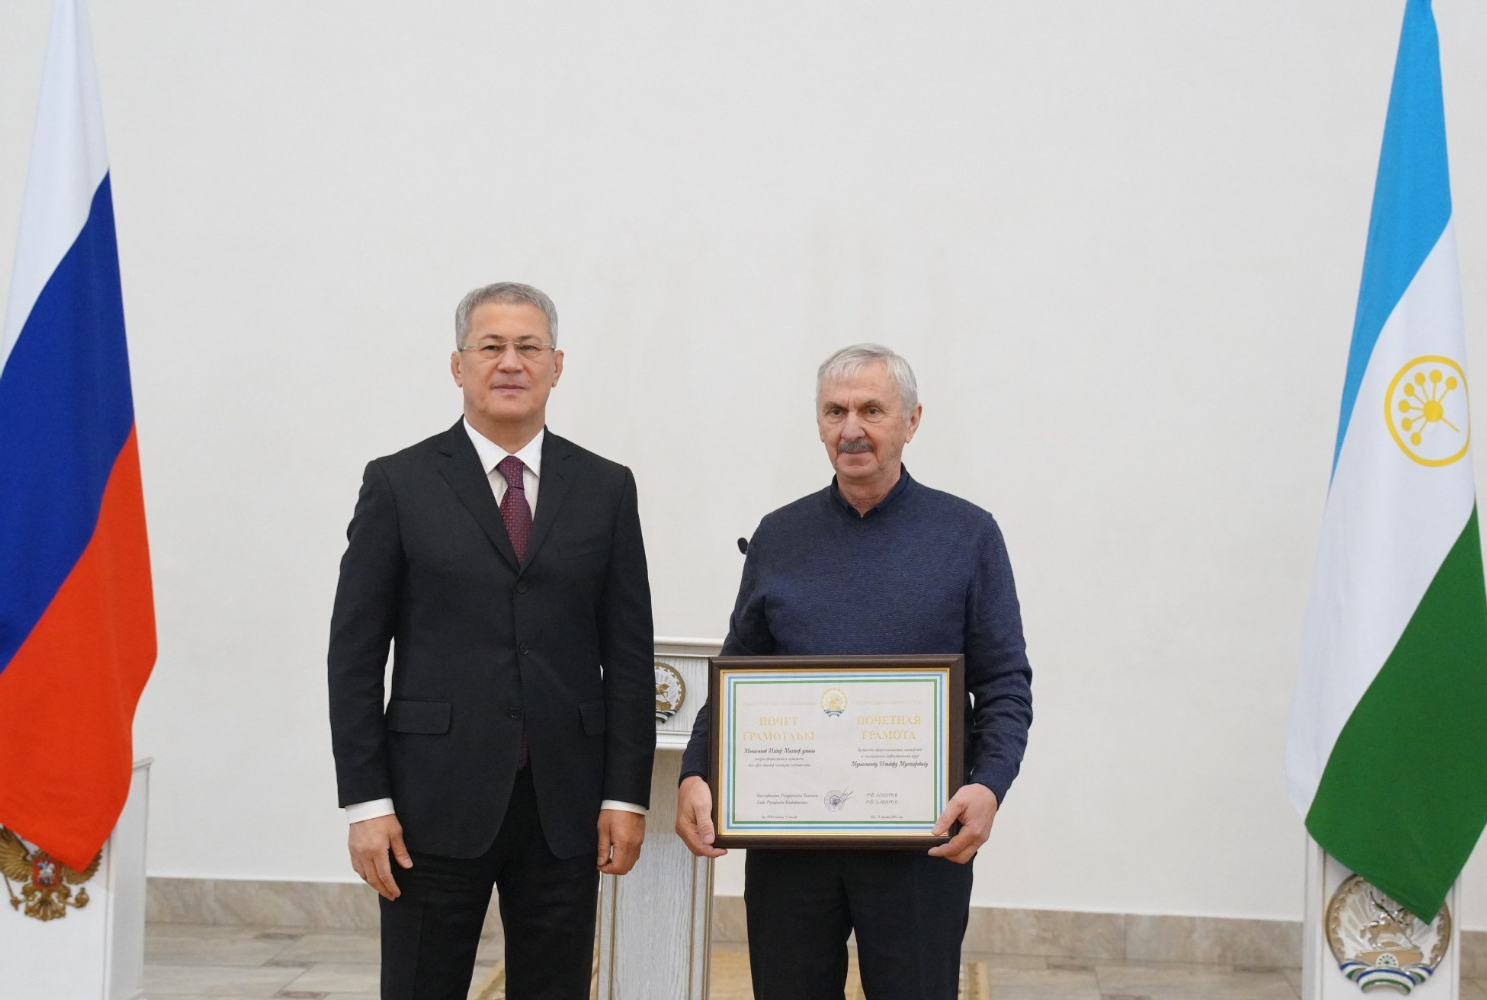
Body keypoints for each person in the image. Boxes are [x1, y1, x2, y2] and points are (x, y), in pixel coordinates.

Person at [327, 283, 655, 1000]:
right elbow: (353, 657)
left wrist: (626, 797)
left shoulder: (606, 488)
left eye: (529, 347)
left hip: (565, 805)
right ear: (458, 365)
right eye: (491, 346)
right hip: (428, 804)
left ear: (557, 366)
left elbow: (630, 656)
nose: (511, 362)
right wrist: (366, 803)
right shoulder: (399, 483)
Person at [675, 343, 1033, 1000]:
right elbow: (737, 671)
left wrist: (989, 785)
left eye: (872, 410)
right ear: (818, 423)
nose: (851, 429)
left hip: (921, 845)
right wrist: (696, 770)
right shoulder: (779, 535)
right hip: (789, 842)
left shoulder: (968, 535)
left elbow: (1005, 684)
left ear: (912, 421)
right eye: (835, 411)